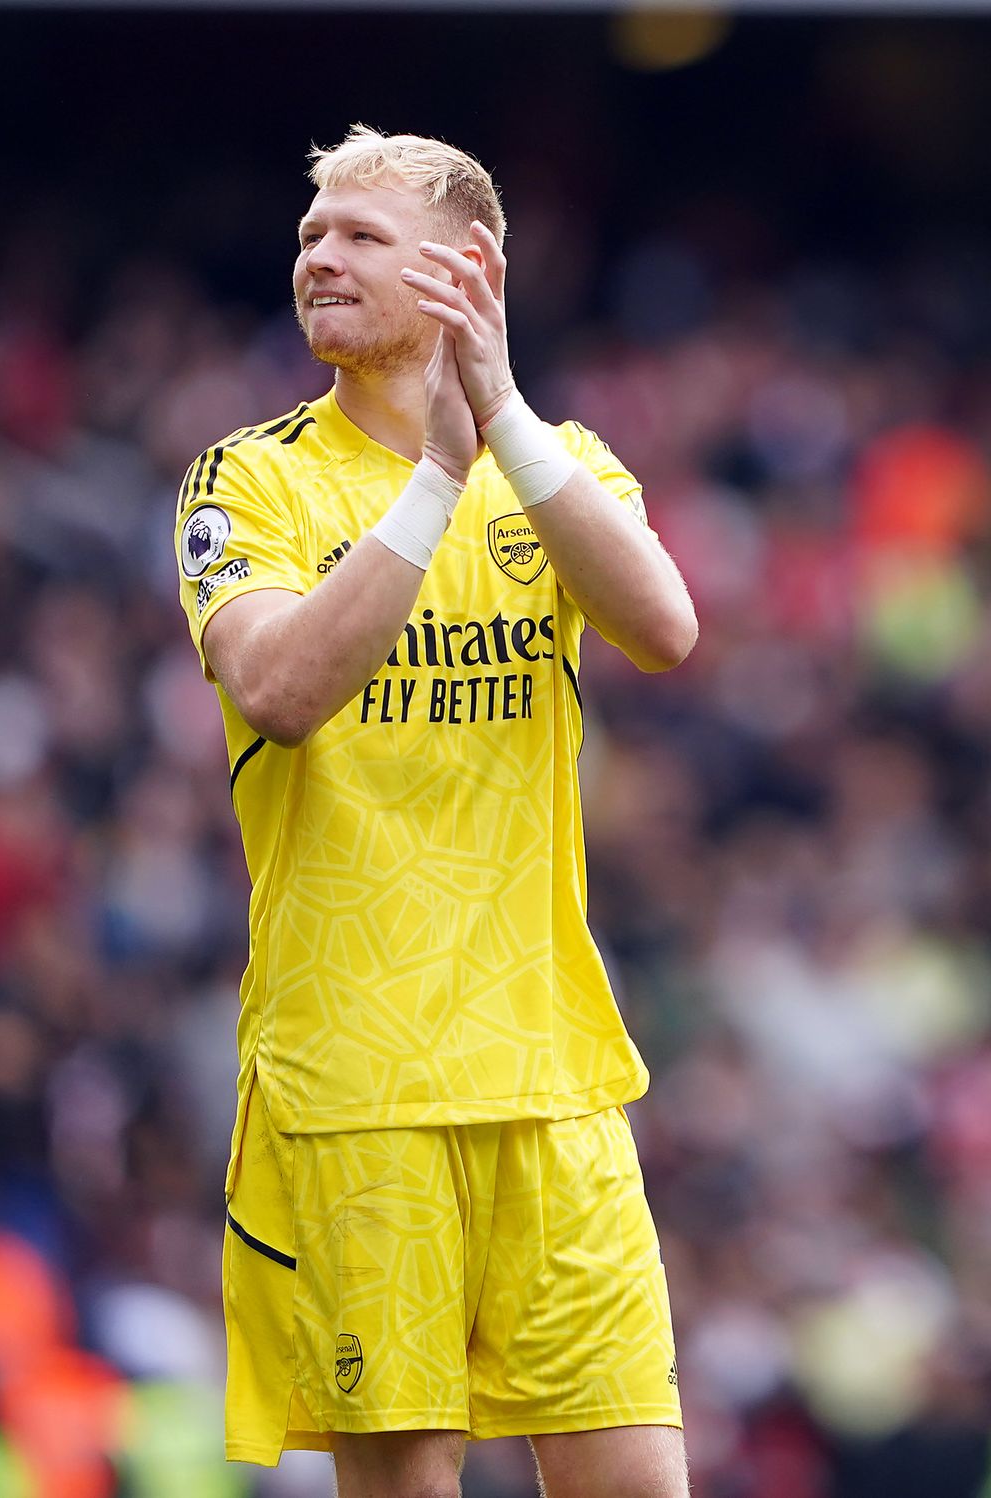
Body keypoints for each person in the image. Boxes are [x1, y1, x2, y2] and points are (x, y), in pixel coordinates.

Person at [174, 125, 698, 1498]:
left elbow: (665, 625)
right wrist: (437, 479)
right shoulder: (250, 483)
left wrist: (501, 429)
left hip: (552, 1075)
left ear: (470, 271)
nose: (317, 257)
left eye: (358, 235)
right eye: (310, 235)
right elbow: (280, 687)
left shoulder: (562, 467)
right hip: (356, 1087)